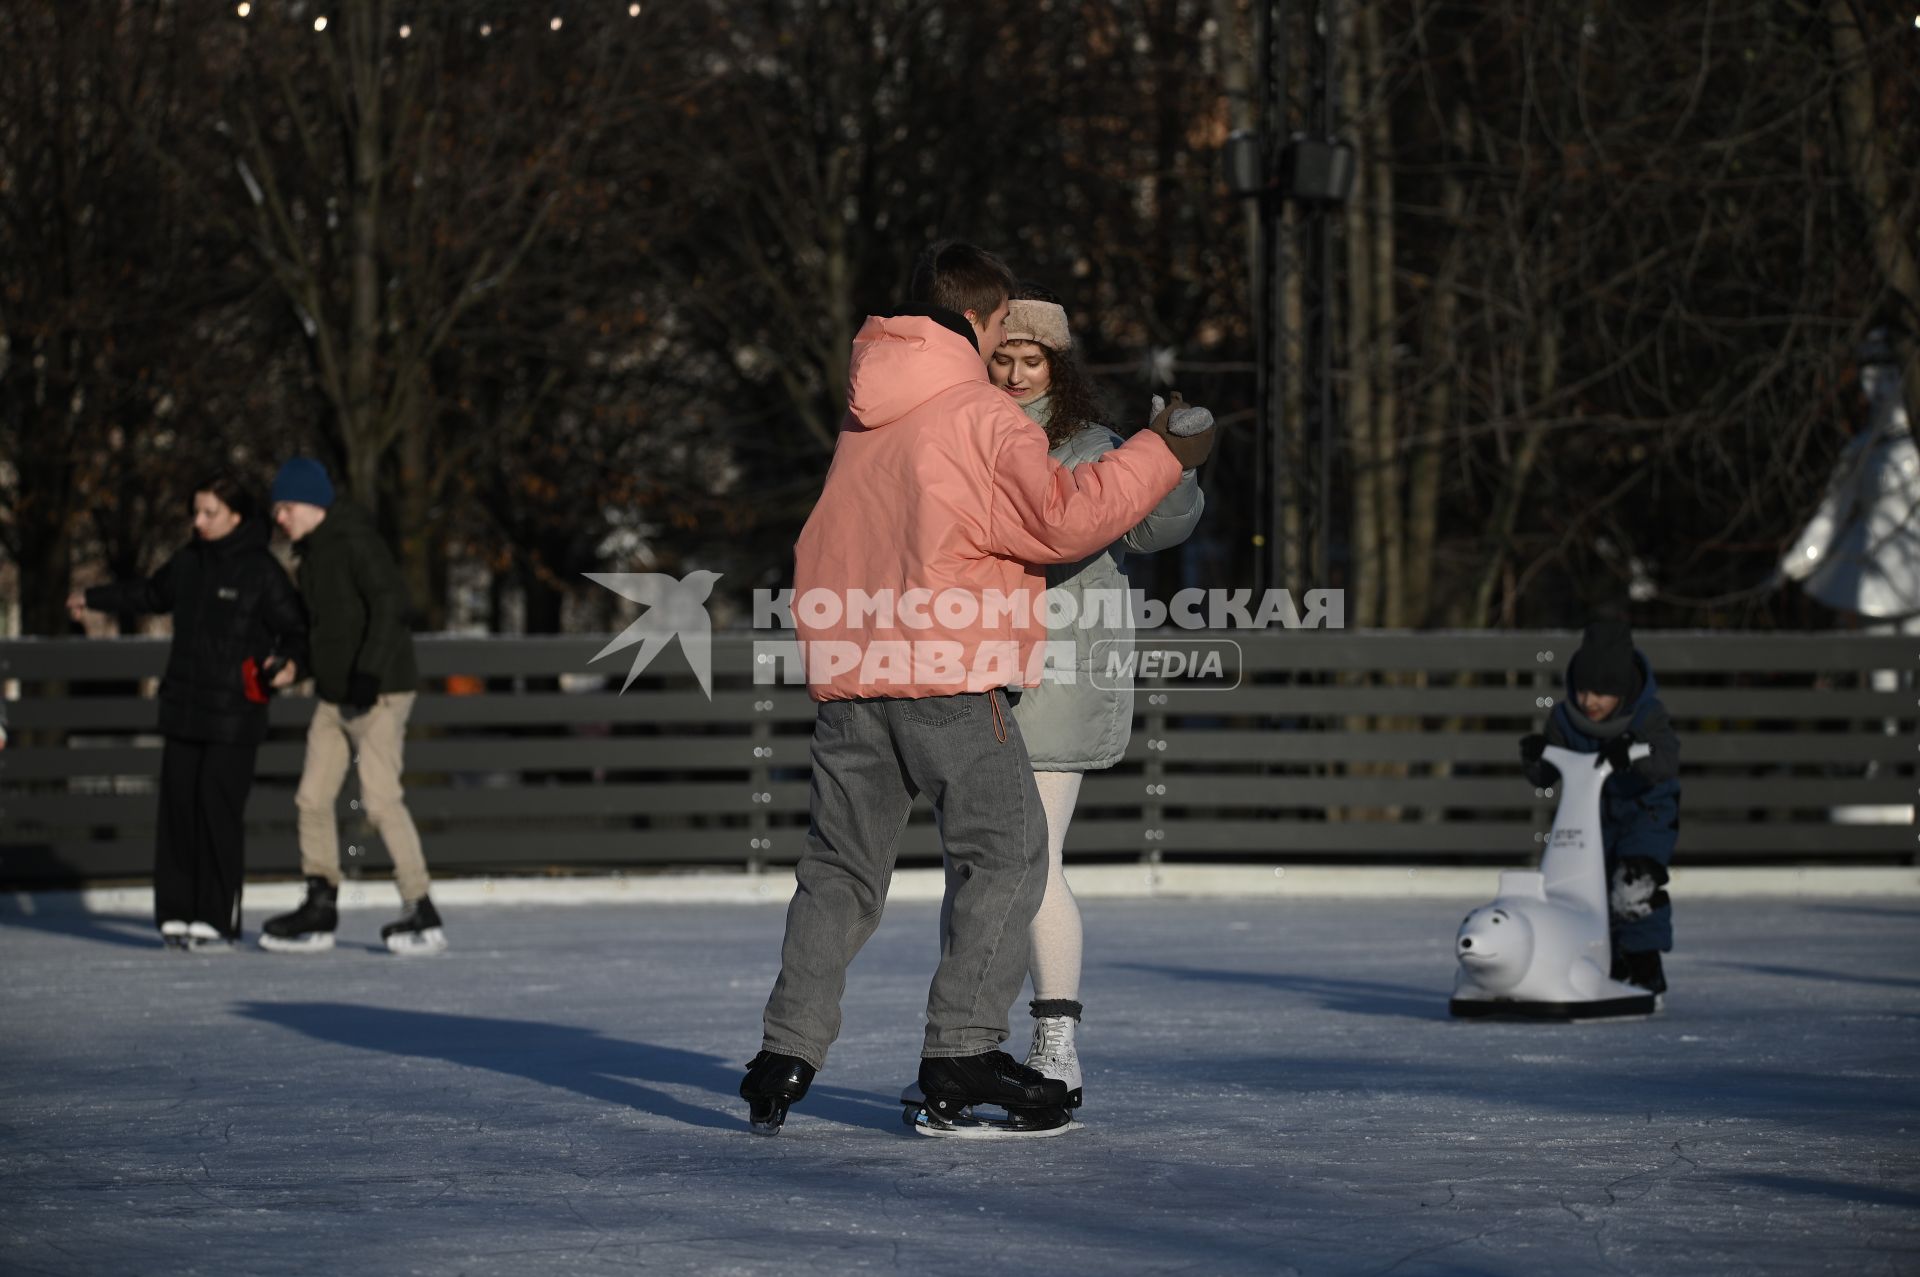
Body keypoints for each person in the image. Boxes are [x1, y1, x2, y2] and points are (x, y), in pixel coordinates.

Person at [741, 241, 1216, 1136]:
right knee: (1013, 857)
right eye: (1003, 328)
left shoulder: (866, 418)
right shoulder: (981, 417)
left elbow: (824, 542)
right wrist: (1165, 449)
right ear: (982, 318)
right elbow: (1067, 518)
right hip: (950, 680)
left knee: (840, 872)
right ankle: (962, 1048)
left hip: (852, 681)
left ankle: (783, 1053)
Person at [965, 288, 1206, 1108]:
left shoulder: (1091, 447)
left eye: (1032, 359)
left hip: (1058, 676)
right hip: (972, 671)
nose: (1017, 372)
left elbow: (1152, 529)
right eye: (1004, 356)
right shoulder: (961, 437)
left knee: (1034, 859)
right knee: (980, 867)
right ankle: (964, 1045)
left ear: (1058, 368)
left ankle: (1055, 1035)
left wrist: (1169, 459)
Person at [66, 472, 308, 952]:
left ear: (236, 517)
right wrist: (94, 598)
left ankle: (217, 918)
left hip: (235, 712)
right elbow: (151, 594)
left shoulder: (260, 571)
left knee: (216, 812)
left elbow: (297, 630)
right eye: (195, 512)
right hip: (184, 706)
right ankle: (176, 913)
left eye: (209, 513)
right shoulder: (190, 562)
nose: (198, 522)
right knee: (177, 811)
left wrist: (289, 666)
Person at [260, 457, 447, 956]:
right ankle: (320, 902)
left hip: (380, 690)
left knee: (380, 798)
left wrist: (368, 671)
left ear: (312, 504)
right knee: (311, 797)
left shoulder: (356, 541)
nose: (279, 517)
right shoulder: (311, 554)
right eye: (277, 509)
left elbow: (390, 606)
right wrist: (295, 668)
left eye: (286, 507)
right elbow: (323, 631)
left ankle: (421, 907)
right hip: (335, 694)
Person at [1520, 619, 1680, 994]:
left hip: (1646, 812)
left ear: (1623, 692)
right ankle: (1600, 963)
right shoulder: (1564, 718)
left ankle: (1645, 968)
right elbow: (1544, 777)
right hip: (1589, 818)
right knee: (1581, 887)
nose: (1589, 701)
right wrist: (1534, 758)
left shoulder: (1648, 715)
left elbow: (1665, 762)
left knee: (1630, 883)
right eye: (1583, 690)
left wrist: (1634, 756)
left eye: (1602, 693)